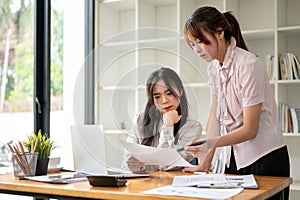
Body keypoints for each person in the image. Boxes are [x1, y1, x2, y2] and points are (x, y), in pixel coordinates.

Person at [182, 6, 290, 200]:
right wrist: (206, 161)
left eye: (200, 42)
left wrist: (211, 143)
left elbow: (250, 129)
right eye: (192, 45)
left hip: (266, 158)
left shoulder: (248, 65)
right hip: (235, 159)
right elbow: (215, 118)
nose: (197, 50)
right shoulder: (214, 69)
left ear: (220, 33)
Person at [122, 67, 202, 173]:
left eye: (169, 93)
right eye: (157, 96)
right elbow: (126, 163)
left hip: (173, 185)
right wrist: (133, 165)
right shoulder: (140, 120)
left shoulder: (192, 127)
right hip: (142, 184)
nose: (164, 101)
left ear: (180, 91)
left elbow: (166, 164)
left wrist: (168, 125)